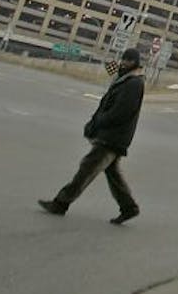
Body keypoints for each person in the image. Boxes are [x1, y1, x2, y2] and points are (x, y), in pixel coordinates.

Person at [39, 47, 145, 224]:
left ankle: (61, 203)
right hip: (112, 136)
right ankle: (129, 207)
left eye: (129, 60)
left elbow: (120, 112)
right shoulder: (124, 80)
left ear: (135, 63)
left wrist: (99, 122)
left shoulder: (134, 83)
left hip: (113, 138)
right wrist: (94, 122)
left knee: (86, 169)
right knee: (113, 174)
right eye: (124, 59)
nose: (124, 63)